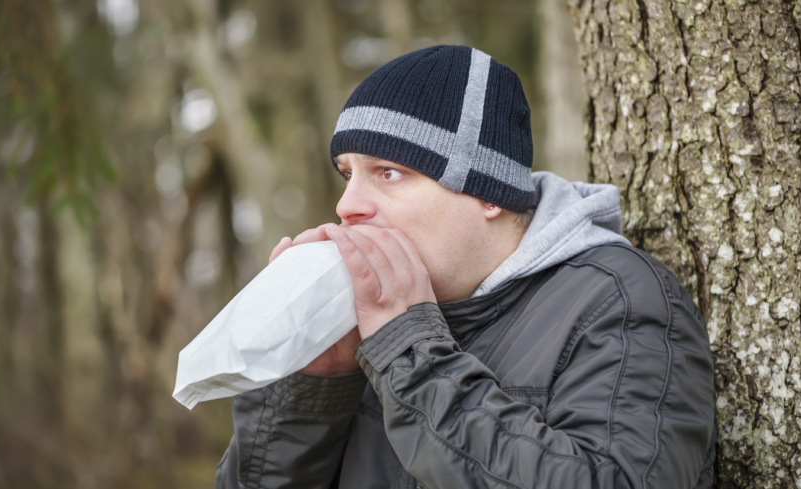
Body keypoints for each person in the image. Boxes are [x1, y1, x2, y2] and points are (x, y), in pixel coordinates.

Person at [215, 45, 716, 489]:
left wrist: (409, 351)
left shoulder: (618, 300)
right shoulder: (358, 325)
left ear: (487, 190)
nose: (348, 205)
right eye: (349, 174)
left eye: (388, 172)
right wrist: (312, 384)